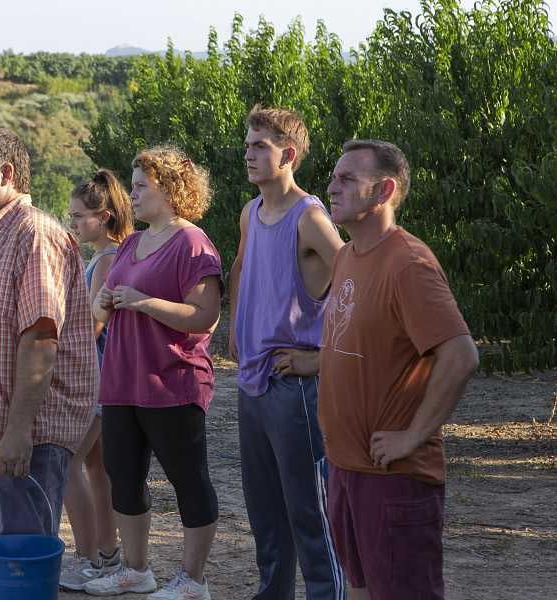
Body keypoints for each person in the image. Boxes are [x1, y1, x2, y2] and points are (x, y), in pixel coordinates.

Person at [320, 139, 479, 600]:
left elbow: (461, 354)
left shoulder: (408, 263)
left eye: (348, 179)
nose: (332, 186)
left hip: (395, 481)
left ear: (384, 190)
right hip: (346, 469)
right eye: (334, 175)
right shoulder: (348, 255)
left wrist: (413, 435)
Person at [84, 147, 222, 600]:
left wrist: (142, 300)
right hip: (122, 382)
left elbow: (204, 317)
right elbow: (98, 310)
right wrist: (102, 301)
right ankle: (136, 570)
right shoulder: (129, 244)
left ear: (169, 188)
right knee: (122, 475)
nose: (134, 194)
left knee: (188, 480)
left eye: (141, 185)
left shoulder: (192, 242)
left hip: (173, 382)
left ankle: (192, 581)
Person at [0, 125, 98, 537]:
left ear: (7, 173)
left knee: (22, 559)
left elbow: (40, 340)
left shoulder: (35, 235)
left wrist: (17, 432)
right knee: (3, 563)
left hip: (27, 435)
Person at [227, 106, 345, 600]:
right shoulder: (250, 212)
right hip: (253, 382)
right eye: (248, 144)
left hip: (295, 386)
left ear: (289, 155)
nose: (249, 154)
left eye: (261, 147)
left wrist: (321, 359)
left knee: (309, 513)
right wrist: (235, 328)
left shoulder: (311, 218)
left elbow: (359, 289)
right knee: (265, 512)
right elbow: (238, 267)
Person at [59, 169, 131, 590]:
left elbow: (93, 326)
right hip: (106, 380)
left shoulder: (106, 259)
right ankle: (106, 553)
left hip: (95, 380)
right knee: (96, 469)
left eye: (78, 217)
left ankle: (88, 556)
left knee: (67, 463)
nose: (72, 224)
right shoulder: (110, 255)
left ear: (103, 217)